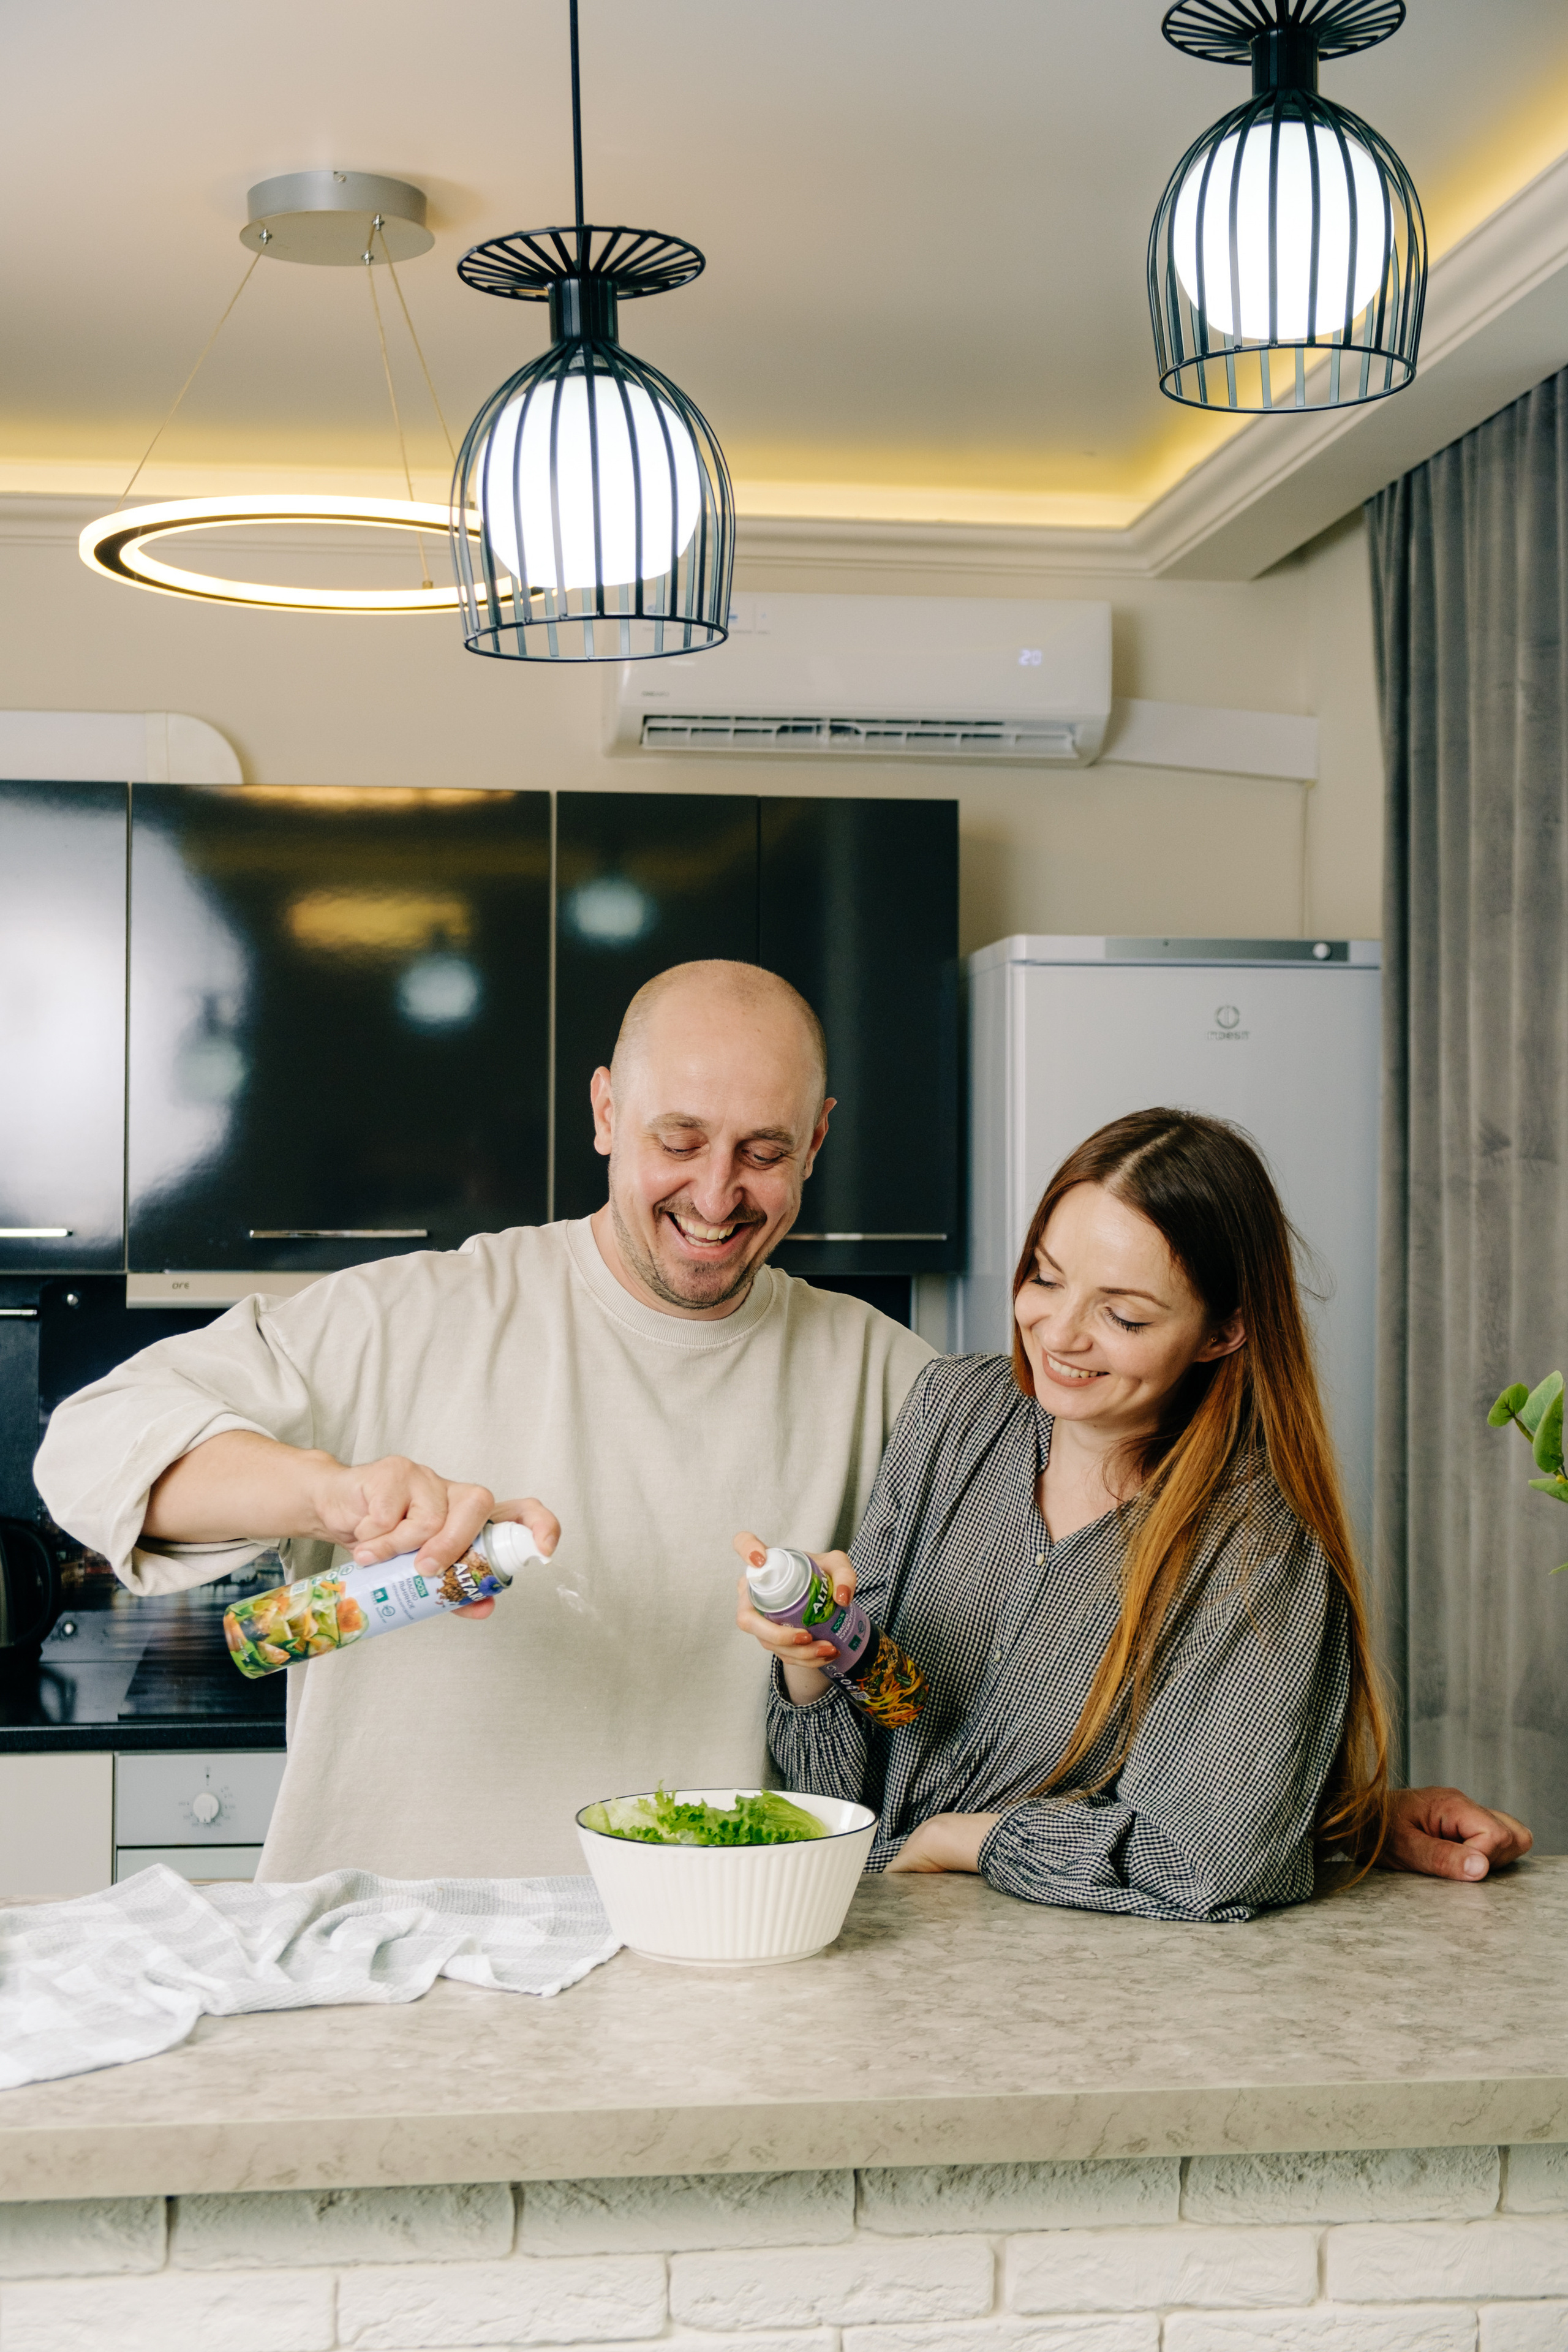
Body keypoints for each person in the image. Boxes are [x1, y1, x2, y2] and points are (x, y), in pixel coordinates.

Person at [35, 963, 1528, 1888]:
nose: (714, 1192)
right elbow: (91, 1443)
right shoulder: (417, 1314)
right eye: (678, 1140)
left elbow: (1068, 1655)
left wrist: (1331, 1815)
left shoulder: (901, 1387)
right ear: (607, 1112)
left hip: (725, 1961)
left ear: (817, 1145)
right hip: (399, 1936)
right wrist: (335, 1489)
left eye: (762, 1152)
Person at [736, 1108, 1534, 1920]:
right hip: (846, 1936)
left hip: (1058, 1991)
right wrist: (812, 1656)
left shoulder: (1258, 1552)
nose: (1060, 1334)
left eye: (1124, 1317)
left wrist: (969, 1841)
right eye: (1046, 1277)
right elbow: (831, 1796)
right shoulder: (953, 1409)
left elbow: (1203, 1861)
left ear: (1224, 1332)